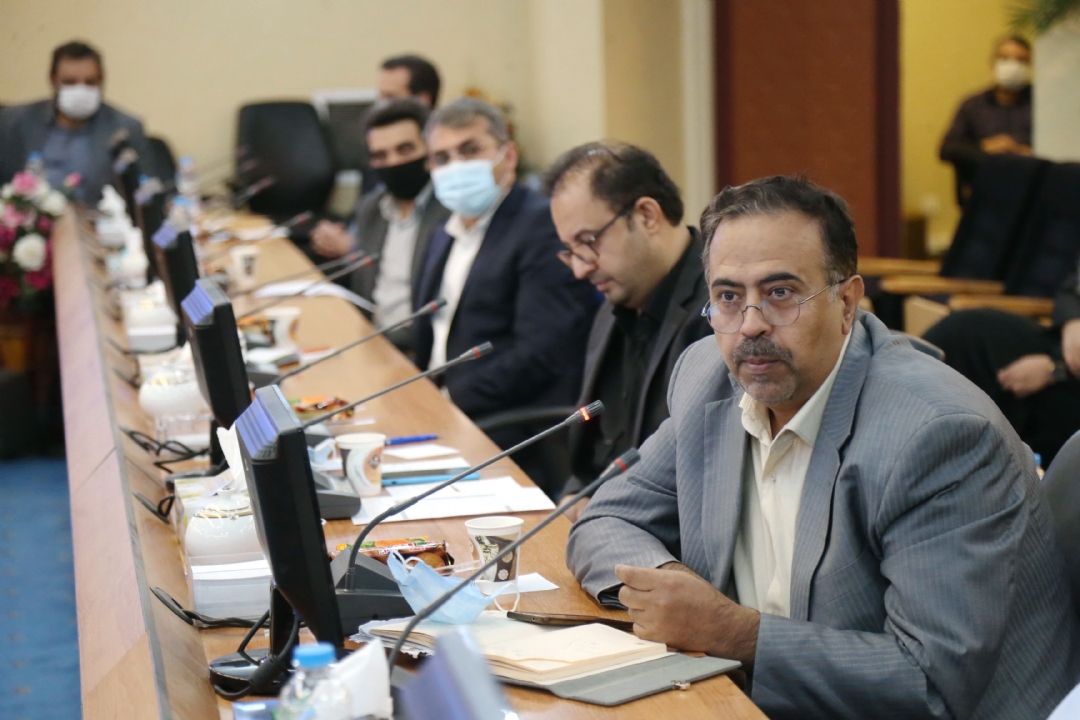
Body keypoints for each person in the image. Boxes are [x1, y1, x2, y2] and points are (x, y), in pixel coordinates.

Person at [566, 175, 1079, 718]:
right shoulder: (709, 378)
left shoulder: (937, 436)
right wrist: (671, 588)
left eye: (780, 294)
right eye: (728, 297)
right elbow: (605, 519)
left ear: (847, 302)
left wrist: (733, 632)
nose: (750, 326)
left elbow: (928, 683)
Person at [413, 98, 596, 491]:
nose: (455, 167)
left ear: (508, 155)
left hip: (507, 427)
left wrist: (448, 397)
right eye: (442, 158)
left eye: (470, 150)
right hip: (440, 414)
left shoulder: (540, 225)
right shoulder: (441, 231)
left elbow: (544, 351)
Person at [544, 141, 710, 511]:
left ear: (647, 215)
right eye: (570, 250)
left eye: (588, 242)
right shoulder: (613, 305)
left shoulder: (718, 312)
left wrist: (600, 515)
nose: (580, 269)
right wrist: (575, 497)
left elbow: (697, 480)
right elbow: (595, 453)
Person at [309, 99, 449, 354]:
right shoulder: (371, 208)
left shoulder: (450, 211)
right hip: (372, 342)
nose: (393, 162)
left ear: (429, 150)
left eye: (405, 150)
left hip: (421, 352)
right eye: (380, 156)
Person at [923, 276, 1080, 466]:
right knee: (963, 332)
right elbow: (1071, 288)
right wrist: (1073, 318)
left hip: (1068, 380)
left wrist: (1057, 369)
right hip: (1060, 349)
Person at [0, 40, 148, 203]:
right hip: (30, 216)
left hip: (95, 217)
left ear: (101, 80)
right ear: (53, 80)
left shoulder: (125, 129)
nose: (80, 90)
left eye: (90, 82)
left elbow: (142, 198)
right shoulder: (15, 121)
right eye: (70, 82)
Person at [940, 35, 1033, 205]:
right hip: (983, 194)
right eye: (1005, 58)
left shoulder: (1042, 106)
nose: (1013, 66)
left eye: (1021, 60)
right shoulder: (973, 106)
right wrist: (984, 148)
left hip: (1031, 193)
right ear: (993, 63)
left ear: (1030, 66)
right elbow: (947, 149)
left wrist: (1025, 151)